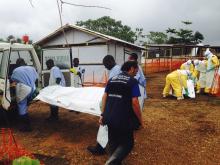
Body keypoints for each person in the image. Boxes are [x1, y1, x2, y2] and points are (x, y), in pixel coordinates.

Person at [100, 60, 143, 165]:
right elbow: (135, 102)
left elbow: (104, 97)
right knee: (128, 143)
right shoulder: (132, 81)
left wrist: (102, 114)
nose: (136, 73)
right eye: (136, 70)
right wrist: (140, 120)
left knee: (113, 141)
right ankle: (111, 163)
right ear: (132, 68)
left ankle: (115, 162)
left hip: (109, 117)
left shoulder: (112, 79)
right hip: (123, 119)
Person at [87, 55, 121, 155]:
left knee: (105, 125)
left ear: (110, 61)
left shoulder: (115, 71)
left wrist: (104, 107)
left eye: (106, 65)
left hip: (113, 103)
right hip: (117, 102)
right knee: (111, 127)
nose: (105, 67)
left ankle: (100, 149)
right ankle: (106, 147)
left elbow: (111, 90)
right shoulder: (118, 69)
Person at [11, 58, 38, 132]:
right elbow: (36, 78)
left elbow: (12, 79)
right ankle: (27, 124)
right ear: (24, 62)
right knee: (25, 105)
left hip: (23, 89)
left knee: (21, 107)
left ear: (17, 64)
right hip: (32, 89)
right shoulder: (32, 68)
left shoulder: (16, 70)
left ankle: (26, 127)